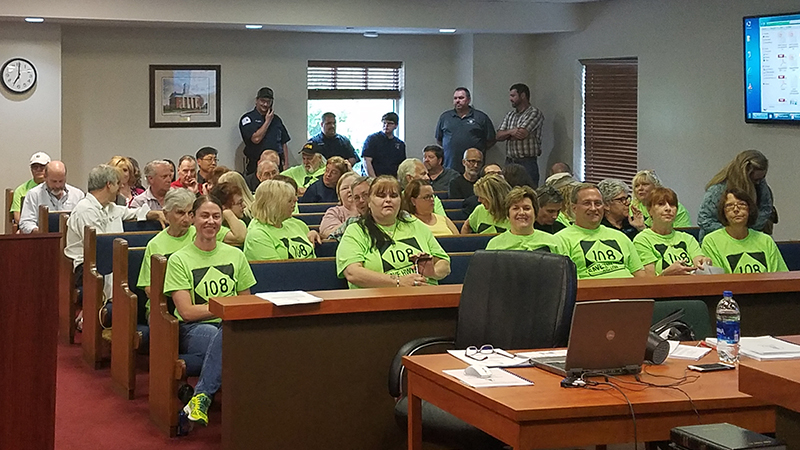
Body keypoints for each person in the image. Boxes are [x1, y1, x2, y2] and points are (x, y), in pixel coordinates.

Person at [164, 195, 256, 427]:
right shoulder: (179, 260)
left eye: (216, 216)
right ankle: (208, 397)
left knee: (230, 333)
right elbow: (186, 311)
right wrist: (224, 308)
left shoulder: (236, 255)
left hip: (231, 325)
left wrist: (228, 312)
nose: (211, 221)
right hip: (193, 330)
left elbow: (245, 301)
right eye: (204, 216)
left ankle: (200, 398)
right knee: (226, 336)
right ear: (193, 218)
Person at [64, 165, 166, 323]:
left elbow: (132, 213)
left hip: (112, 259)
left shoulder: (110, 207)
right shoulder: (85, 210)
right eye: (118, 184)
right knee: (130, 266)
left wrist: (154, 214)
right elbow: (100, 247)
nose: (120, 189)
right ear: (109, 185)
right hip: (89, 265)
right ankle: (97, 316)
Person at [336, 176, 450, 288]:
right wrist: (398, 281)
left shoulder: (415, 224)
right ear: (369, 202)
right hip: (380, 298)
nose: (388, 200)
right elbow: (352, 273)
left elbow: (444, 262)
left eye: (394, 195)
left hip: (425, 293)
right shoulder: (355, 231)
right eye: (381, 196)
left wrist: (433, 272)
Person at [556, 183, 645, 279]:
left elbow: (640, 275)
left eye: (598, 203)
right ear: (574, 208)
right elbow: (565, 282)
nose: (593, 208)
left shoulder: (620, 237)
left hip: (628, 287)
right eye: (587, 203)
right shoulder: (561, 240)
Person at [138, 188, 197, 321]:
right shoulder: (155, 244)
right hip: (164, 306)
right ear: (166, 214)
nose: (187, 219)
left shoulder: (199, 236)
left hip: (197, 302)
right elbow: (148, 288)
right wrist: (178, 295)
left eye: (190, 213)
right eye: (180, 213)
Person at [700, 188, 787, 274]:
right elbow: (717, 279)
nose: (736, 209)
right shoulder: (711, 241)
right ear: (723, 212)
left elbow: (780, 276)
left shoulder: (766, 241)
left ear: (749, 210)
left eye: (742, 204)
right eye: (729, 206)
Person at [633, 187, 712, 276]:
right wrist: (666, 275)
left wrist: (704, 263)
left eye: (672, 205)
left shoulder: (688, 238)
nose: (668, 208)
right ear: (649, 210)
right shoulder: (642, 240)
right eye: (661, 204)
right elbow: (649, 280)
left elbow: (698, 262)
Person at [698, 150, 773, 241]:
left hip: (750, 237)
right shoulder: (717, 190)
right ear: (745, 175)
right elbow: (704, 219)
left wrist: (747, 232)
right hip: (719, 240)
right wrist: (733, 232)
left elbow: (765, 210)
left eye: (761, 179)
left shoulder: (760, 185)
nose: (758, 183)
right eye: (755, 180)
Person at [244, 179, 321, 261]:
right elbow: (277, 268)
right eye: (289, 200)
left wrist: (314, 233)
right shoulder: (257, 235)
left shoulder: (296, 224)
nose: (296, 200)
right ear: (274, 206)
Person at [486, 186, 565, 253]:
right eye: (515, 208)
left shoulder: (553, 242)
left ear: (535, 212)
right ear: (508, 215)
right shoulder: (495, 244)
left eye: (526, 208)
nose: (521, 213)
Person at [435, 87, 495, 173]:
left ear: (468, 100)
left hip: (474, 167)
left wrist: (478, 149)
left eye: (461, 98)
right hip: (450, 165)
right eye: (455, 98)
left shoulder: (481, 117)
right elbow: (439, 140)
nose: (457, 101)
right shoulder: (445, 117)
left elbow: (491, 140)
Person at [495, 83, 545, 186]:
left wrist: (507, 134)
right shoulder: (510, 115)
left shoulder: (534, 112)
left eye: (513, 96)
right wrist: (511, 132)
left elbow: (522, 134)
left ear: (522, 96)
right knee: (507, 190)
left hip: (527, 162)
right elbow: (498, 136)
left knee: (528, 190)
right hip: (510, 161)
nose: (510, 99)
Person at [19, 161, 85, 234]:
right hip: (43, 239)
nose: (58, 185)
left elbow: (84, 220)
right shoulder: (34, 194)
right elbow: (25, 223)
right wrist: (39, 232)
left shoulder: (78, 195)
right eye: (54, 181)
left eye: (61, 181)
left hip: (71, 238)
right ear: (45, 177)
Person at [239, 87, 291, 173]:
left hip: (277, 165)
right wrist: (267, 121)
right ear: (256, 100)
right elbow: (256, 139)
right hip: (256, 165)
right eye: (262, 101)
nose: (265, 104)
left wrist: (286, 164)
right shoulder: (248, 119)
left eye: (268, 102)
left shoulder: (277, 120)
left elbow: (283, 142)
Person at [326, 176, 372, 241]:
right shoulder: (352, 222)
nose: (361, 200)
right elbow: (331, 238)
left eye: (365, 195)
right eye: (356, 198)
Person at [362, 112, 406, 177]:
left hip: (392, 179)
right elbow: (366, 161)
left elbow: (402, 165)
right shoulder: (372, 139)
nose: (386, 125)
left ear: (396, 126)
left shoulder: (400, 144)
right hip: (374, 178)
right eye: (384, 123)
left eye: (390, 123)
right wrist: (374, 179)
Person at [320, 172, 360, 239]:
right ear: (339, 195)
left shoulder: (371, 209)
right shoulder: (334, 212)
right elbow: (327, 232)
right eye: (345, 188)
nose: (350, 190)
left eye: (353, 186)